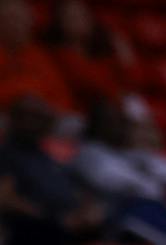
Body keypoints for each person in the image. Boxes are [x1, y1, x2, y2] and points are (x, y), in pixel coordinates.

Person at [70, 99, 166, 244]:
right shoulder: (91, 152)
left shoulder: (132, 154)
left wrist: (143, 168)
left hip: (160, 211)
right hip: (126, 212)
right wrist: (141, 175)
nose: (114, 127)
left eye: (118, 122)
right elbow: (112, 178)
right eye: (109, 122)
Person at [0, 95, 107, 245]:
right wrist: (54, 219)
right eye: (24, 116)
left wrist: (85, 211)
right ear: (12, 119)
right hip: (35, 231)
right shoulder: (7, 154)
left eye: (38, 117)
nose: (31, 123)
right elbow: (5, 199)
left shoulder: (45, 156)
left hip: (71, 226)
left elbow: (75, 190)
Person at [44, 0, 133, 112]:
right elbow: (94, 87)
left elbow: (131, 85)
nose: (80, 20)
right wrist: (116, 92)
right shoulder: (60, 55)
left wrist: (126, 60)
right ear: (59, 22)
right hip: (81, 116)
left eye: (83, 15)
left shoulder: (100, 55)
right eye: (72, 16)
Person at [0, 0, 72, 114]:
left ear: (30, 20)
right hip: (6, 116)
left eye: (19, 18)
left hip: (44, 117)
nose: (15, 25)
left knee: (74, 123)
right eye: (9, 19)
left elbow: (62, 98)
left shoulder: (41, 56)